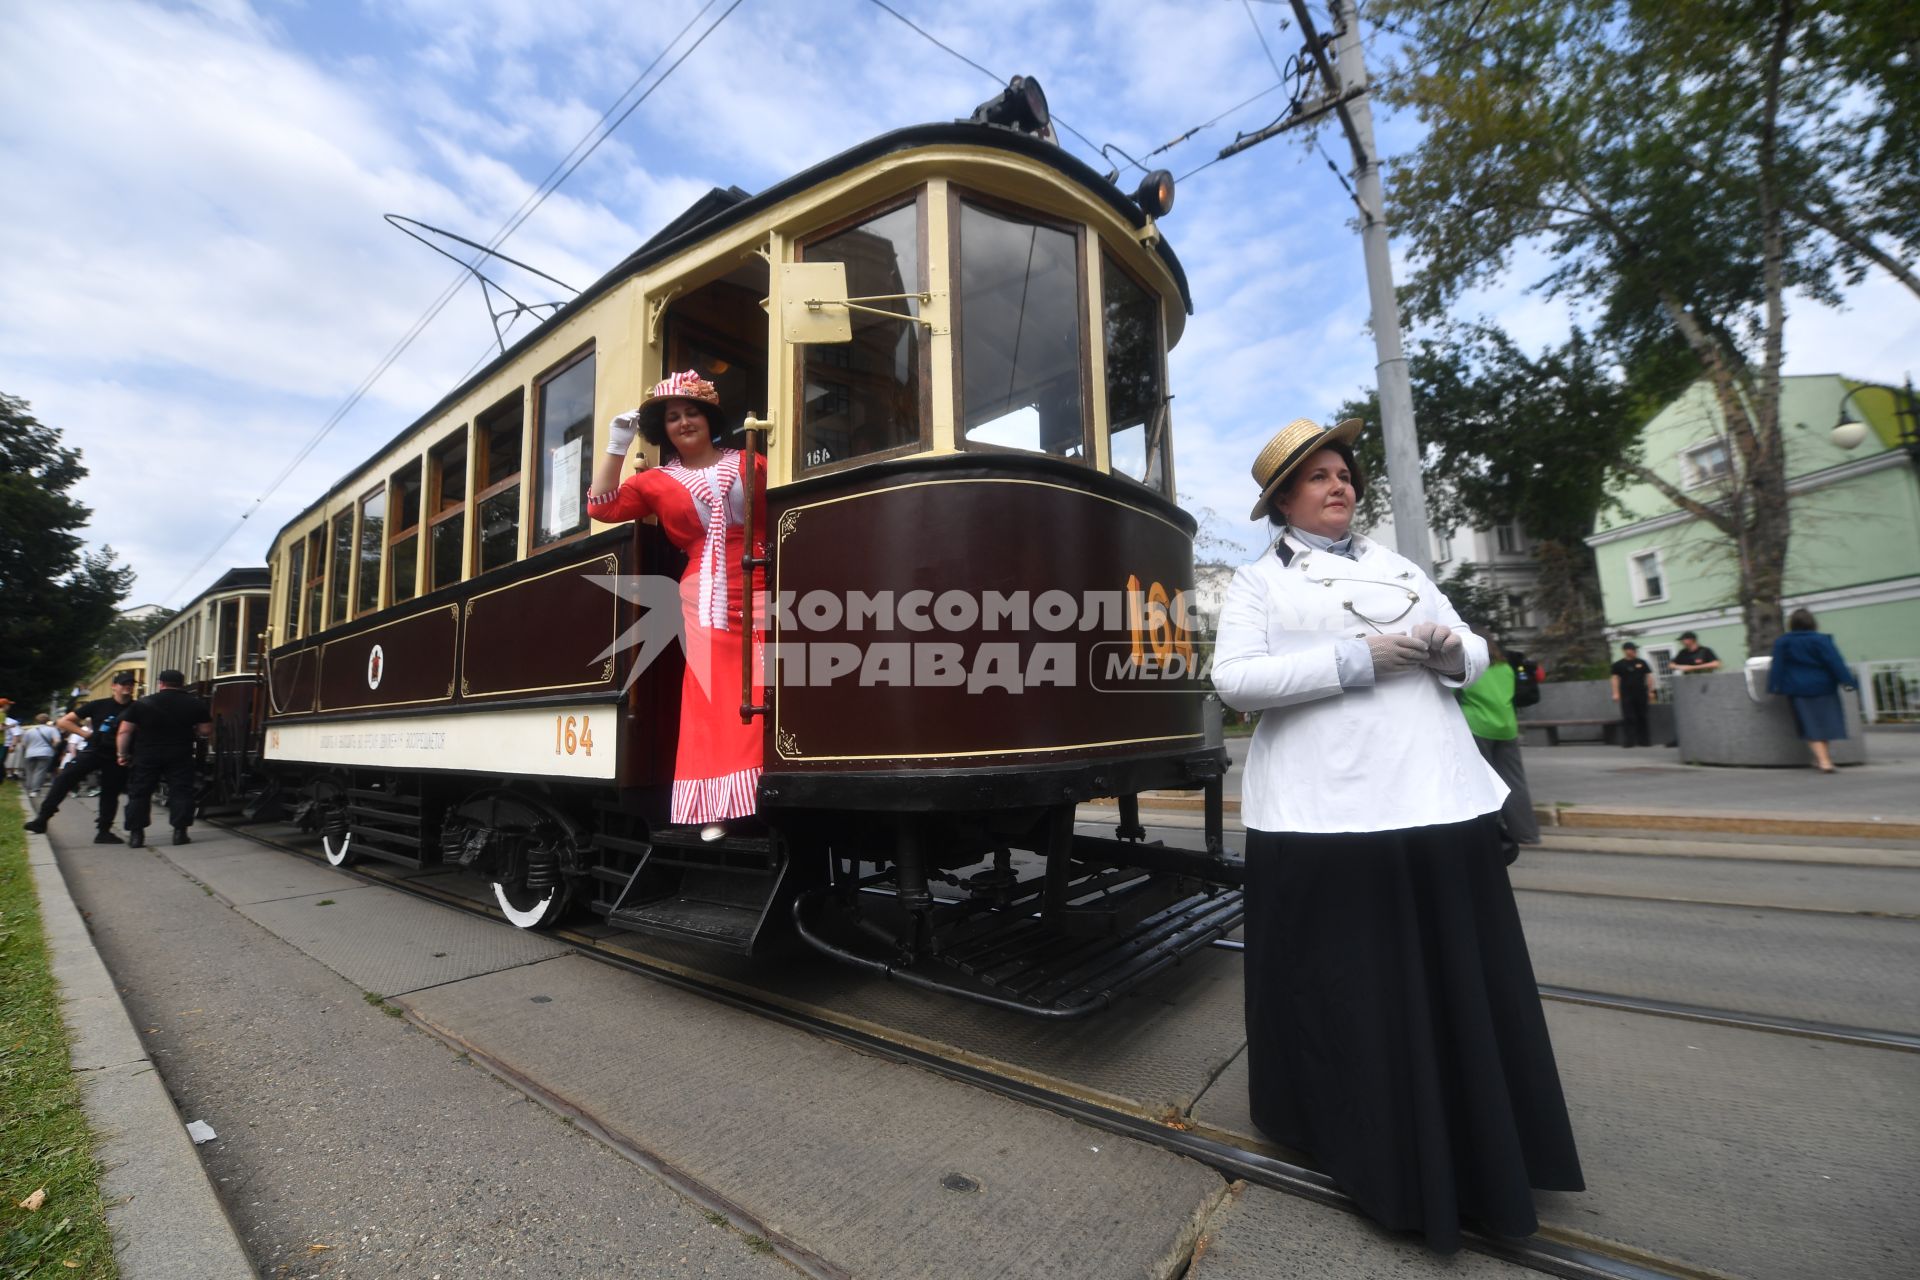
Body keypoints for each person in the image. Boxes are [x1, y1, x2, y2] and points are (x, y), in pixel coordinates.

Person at [1212, 416, 1582, 1252]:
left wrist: (1452, 648)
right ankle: (1363, 1140)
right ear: (1284, 501)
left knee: (1454, 975)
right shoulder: (1258, 584)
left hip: (1436, 797)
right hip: (1331, 813)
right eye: (1318, 478)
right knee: (1358, 983)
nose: (1339, 485)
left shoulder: (1398, 564)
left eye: (1344, 473)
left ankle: (1472, 1134)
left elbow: (1477, 653)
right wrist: (1355, 660)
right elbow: (1233, 678)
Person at [586, 370, 765, 840]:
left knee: (769, 676)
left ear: (709, 420)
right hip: (703, 594)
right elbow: (601, 507)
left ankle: (766, 784)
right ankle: (715, 804)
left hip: (764, 578)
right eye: (672, 417)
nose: (684, 422)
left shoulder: (754, 461)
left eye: (692, 413)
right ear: (663, 429)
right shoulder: (657, 481)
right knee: (713, 692)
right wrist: (616, 445)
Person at [23, 671, 137, 843]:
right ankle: (42, 819)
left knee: (110, 793)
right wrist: (86, 735)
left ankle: (104, 831)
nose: (128, 686)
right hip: (95, 750)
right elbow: (64, 722)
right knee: (64, 779)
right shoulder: (98, 705)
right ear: (114, 686)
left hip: (118, 755)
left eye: (131, 684)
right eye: (123, 683)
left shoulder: (136, 707)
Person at [1458, 627, 1541, 853]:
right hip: (1507, 728)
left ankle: (1493, 836)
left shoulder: (1470, 669)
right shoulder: (1506, 668)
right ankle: (1527, 833)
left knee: (1483, 784)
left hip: (1477, 727)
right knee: (1515, 782)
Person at [116, 668, 212, 847]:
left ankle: (137, 836)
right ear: (182, 684)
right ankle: (179, 833)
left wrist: (122, 754)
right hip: (180, 754)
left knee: (140, 793)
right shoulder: (195, 703)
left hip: (146, 754)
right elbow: (205, 730)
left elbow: (124, 731)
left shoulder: (142, 704)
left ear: (160, 683)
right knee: (181, 792)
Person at [1767, 609, 1856, 773]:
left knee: (1809, 724)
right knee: (1824, 723)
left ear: (1791, 624)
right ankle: (1823, 759)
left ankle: (1823, 761)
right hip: (1824, 686)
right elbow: (1835, 662)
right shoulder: (1821, 640)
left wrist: (1774, 686)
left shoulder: (1783, 642)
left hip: (1798, 687)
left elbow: (1778, 666)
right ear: (1812, 622)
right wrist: (1848, 682)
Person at [1609, 641, 1653, 747]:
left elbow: (1649, 676)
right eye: (1632, 649)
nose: (1634, 651)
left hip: (1641, 693)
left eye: (1635, 649)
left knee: (1642, 716)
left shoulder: (1642, 662)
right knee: (1629, 717)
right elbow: (1614, 679)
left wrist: (1651, 691)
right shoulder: (1618, 664)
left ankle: (1644, 741)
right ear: (1626, 651)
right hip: (1626, 694)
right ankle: (1629, 741)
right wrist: (1615, 693)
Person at [19, 713, 63, 797]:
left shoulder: (29, 731)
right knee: (40, 771)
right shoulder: (52, 730)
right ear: (48, 720)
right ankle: (35, 790)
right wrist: (52, 747)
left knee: (29, 771)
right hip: (45, 752)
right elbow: (57, 741)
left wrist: (29, 748)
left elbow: (23, 743)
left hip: (30, 753)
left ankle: (29, 788)